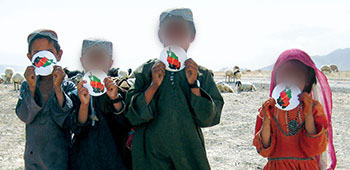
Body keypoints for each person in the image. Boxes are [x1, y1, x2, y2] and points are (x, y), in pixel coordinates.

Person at [125, 8, 224, 170]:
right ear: (160, 36)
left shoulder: (201, 74)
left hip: (189, 155)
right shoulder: (146, 71)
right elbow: (132, 115)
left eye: (181, 31)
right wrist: (154, 85)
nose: (175, 36)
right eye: (170, 31)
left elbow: (209, 118)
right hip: (150, 157)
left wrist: (193, 85)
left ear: (192, 37)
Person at [253, 49, 337, 170]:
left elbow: (314, 148)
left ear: (307, 80)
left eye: (296, 75)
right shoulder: (269, 109)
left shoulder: (314, 108)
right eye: (284, 74)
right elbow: (264, 149)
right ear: (275, 77)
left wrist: (308, 115)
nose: (290, 79)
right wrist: (266, 120)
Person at [16, 29, 75, 170]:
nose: (43, 58)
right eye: (37, 54)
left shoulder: (67, 86)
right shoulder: (26, 85)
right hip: (33, 158)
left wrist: (58, 88)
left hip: (60, 158)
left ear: (58, 55)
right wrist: (31, 88)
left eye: (49, 53)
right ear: (30, 57)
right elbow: (25, 116)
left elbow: (67, 120)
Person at [69, 39, 132, 170]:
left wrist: (115, 98)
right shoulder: (76, 93)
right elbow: (76, 128)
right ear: (82, 61)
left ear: (110, 63)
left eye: (101, 58)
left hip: (115, 161)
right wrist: (84, 105)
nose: (96, 63)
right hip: (83, 161)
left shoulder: (119, 91)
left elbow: (125, 124)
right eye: (91, 57)